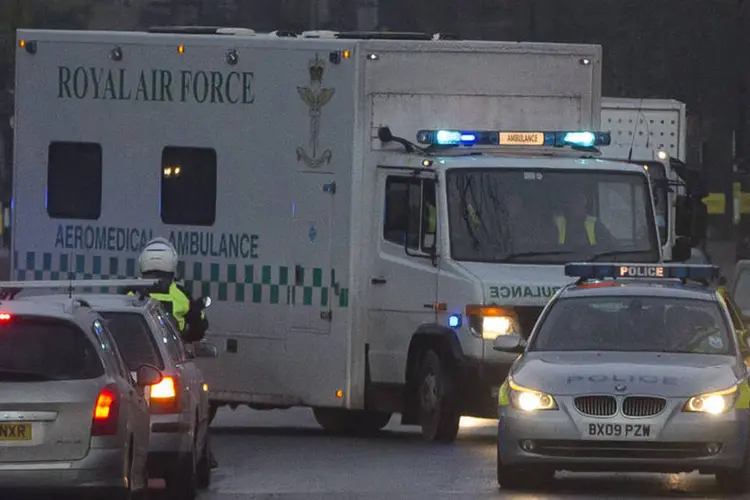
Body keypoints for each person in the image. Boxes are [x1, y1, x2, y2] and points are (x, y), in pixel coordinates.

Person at [125, 237, 218, 469]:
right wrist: (186, 329)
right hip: (170, 360)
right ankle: (204, 455)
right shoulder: (180, 294)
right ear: (172, 264)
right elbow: (199, 326)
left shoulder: (129, 292)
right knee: (199, 405)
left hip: (128, 363)